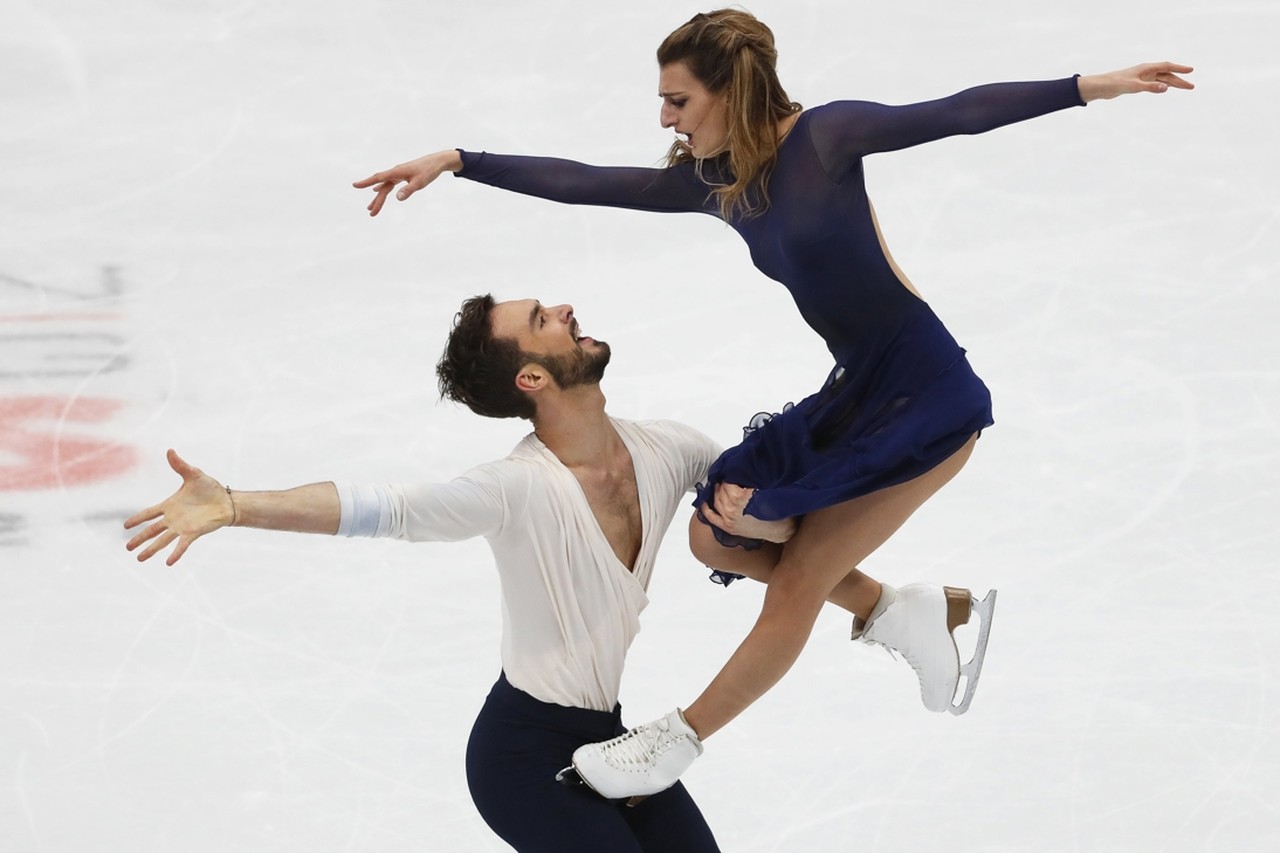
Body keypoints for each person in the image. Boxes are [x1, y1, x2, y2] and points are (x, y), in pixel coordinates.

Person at [352, 9, 1195, 798]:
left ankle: (674, 740)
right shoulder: (718, 181)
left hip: (927, 393)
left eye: (678, 100)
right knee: (712, 530)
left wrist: (1089, 85)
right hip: (858, 387)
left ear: (730, 91)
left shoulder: (824, 139)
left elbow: (956, 111)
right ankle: (906, 612)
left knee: (795, 581)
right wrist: (463, 161)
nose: (665, 120)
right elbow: (592, 184)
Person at [123, 295, 737, 852]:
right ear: (532, 378)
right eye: (542, 320)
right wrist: (236, 504)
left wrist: (835, 583)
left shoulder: (672, 450)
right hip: (521, 757)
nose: (565, 309)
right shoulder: (518, 487)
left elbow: (775, 510)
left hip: (611, 738)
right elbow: (388, 508)